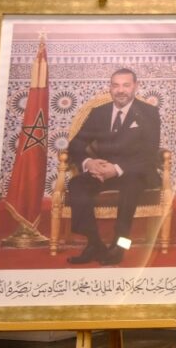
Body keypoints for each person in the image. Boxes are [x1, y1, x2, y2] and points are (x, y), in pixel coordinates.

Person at [65, 67, 163, 266]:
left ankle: (120, 245)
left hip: (136, 172)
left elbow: (149, 153)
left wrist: (116, 169)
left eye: (126, 85)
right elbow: (76, 144)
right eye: (116, 85)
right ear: (110, 88)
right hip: (103, 171)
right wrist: (89, 162)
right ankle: (94, 243)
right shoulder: (99, 113)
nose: (120, 90)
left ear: (135, 86)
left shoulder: (149, 113)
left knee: (130, 186)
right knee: (77, 184)